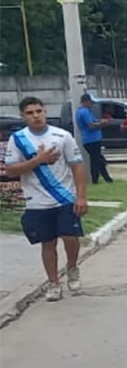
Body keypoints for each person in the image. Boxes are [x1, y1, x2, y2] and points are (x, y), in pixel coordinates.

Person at [4, 97, 88, 302]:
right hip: (37, 201)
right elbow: (10, 169)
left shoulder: (62, 136)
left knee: (70, 237)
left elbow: (77, 166)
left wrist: (81, 196)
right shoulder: (18, 139)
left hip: (65, 198)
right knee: (48, 243)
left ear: (45, 111)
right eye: (30, 113)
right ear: (23, 116)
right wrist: (37, 161)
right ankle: (53, 283)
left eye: (39, 111)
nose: (36, 116)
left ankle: (72, 267)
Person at [75, 93, 113, 184]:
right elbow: (91, 125)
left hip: (91, 139)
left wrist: (100, 121)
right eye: (91, 102)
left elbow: (93, 121)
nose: (92, 104)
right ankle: (95, 179)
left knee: (98, 160)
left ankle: (107, 178)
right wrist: (102, 124)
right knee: (95, 160)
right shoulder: (84, 112)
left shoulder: (82, 111)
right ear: (86, 101)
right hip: (92, 139)